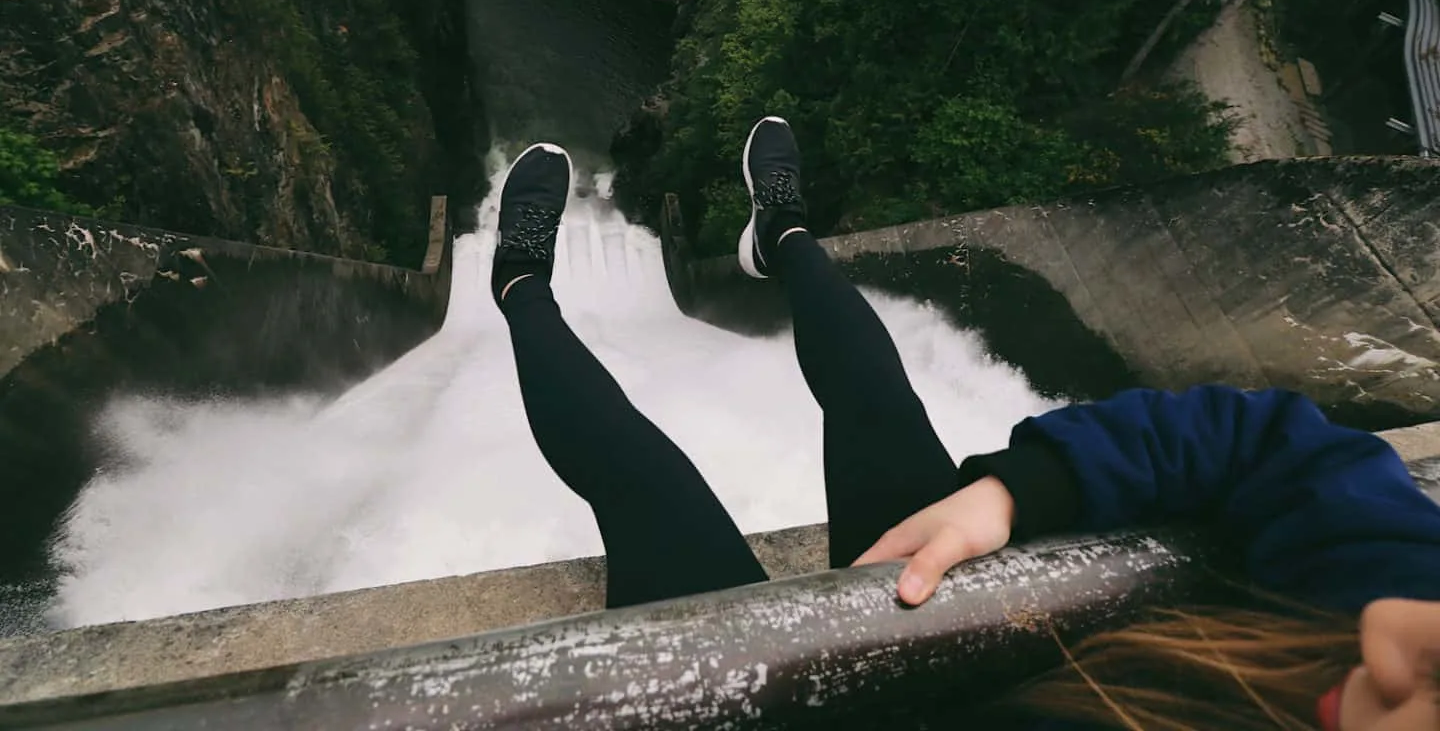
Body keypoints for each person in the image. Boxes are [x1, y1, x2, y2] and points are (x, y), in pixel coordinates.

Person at [489, 116, 1440, 731]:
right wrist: (1017, 491)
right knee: (878, 400)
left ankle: (520, 285)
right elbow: (1272, 442)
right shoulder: (1399, 596)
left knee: (644, 481)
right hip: (952, 639)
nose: (1416, 649)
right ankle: (782, 236)